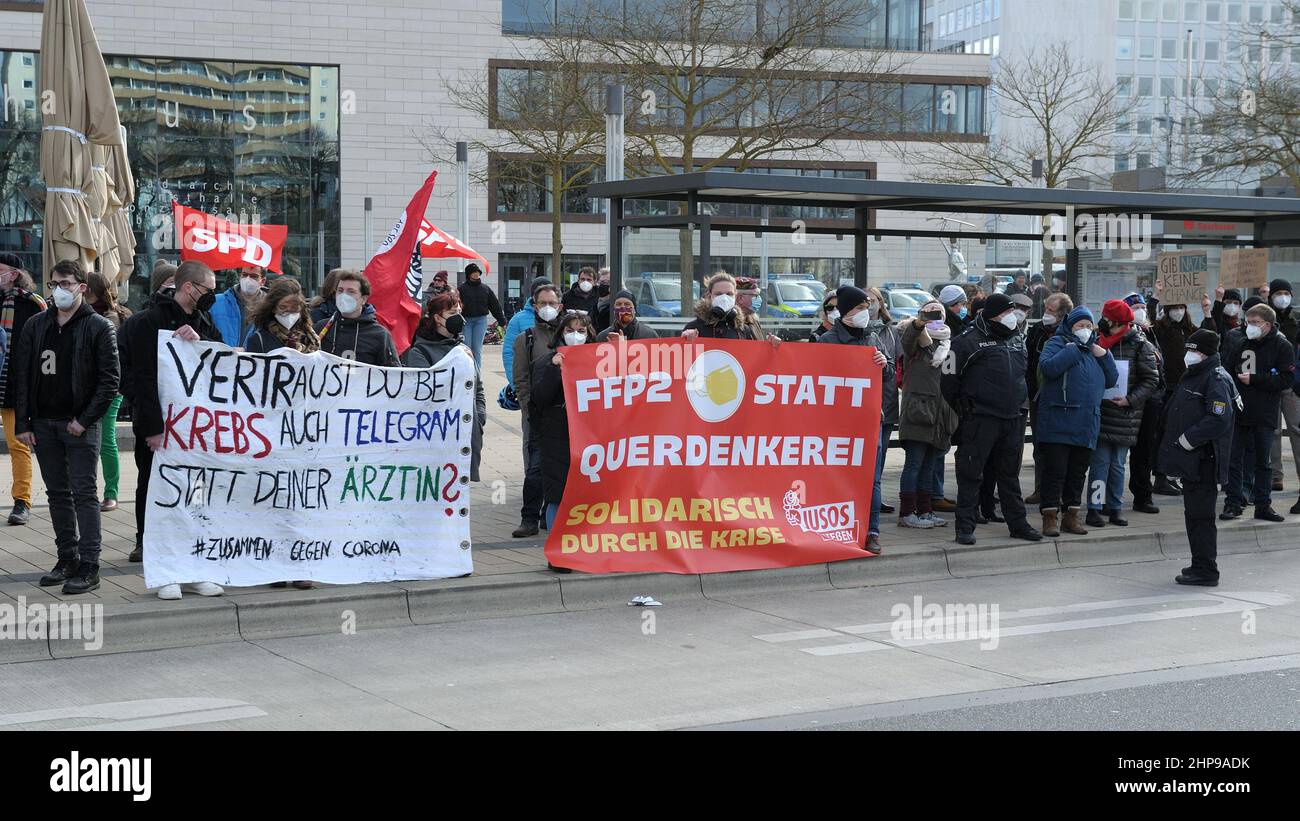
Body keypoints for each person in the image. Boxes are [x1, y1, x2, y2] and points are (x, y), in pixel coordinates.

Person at [117, 260, 225, 599]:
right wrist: (151, 426)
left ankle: (194, 566)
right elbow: (137, 377)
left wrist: (200, 341)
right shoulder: (145, 322)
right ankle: (164, 571)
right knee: (158, 496)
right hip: (160, 428)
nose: (212, 296)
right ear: (189, 288)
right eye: (208, 290)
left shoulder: (204, 320)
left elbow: (221, 361)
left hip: (196, 431)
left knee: (196, 496)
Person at [12, 260, 119, 595]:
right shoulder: (35, 324)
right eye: (54, 282)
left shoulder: (99, 327)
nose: (59, 289)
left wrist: (84, 420)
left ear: (82, 287)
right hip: (43, 424)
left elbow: (110, 381)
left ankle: (90, 565)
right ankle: (66, 558)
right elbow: (23, 375)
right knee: (57, 494)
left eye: (66, 283)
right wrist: (24, 421)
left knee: (84, 494)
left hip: (79, 426)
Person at [940, 292, 1043, 545]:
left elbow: (1023, 371)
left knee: (1009, 476)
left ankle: (1018, 524)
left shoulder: (1017, 338)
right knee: (970, 474)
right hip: (980, 418)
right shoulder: (966, 340)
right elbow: (948, 378)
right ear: (993, 315)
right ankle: (965, 527)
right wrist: (963, 406)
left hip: (1012, 418)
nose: (1011, 317)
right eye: (1006, 313)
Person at [817, 286, 893, 554]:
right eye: (860, 308)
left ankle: (871, 532)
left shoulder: (873, 336)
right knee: (838, 476)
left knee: (872, 479)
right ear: (847, 311)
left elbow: (889, 376)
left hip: (870, 420)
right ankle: (836, 530)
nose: (866, 313)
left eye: (867, 308)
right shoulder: (827, 341)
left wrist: (885, 365)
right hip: (839, 423)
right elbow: (818, 379)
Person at [1158, 329, 1237, 586]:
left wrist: (1186, 440)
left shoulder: (1215, 378)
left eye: (1196, 351)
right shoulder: (1194, 375)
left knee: (1201, 517)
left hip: (1204, 459)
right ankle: (1199, 564)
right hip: (1192, 460)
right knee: (1194, 515)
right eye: (1189, 350)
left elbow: (1218, 419)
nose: (1190, 355)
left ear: (1208, 353)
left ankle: (1206, 570)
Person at [1033, 306, 1118, 537]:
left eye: (1088, 326)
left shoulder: (1095, 349)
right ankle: (1050, 517)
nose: (1084, 330)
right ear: (1070, 327)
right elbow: (1048, 369)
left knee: (1077, 473)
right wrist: (1072, 350)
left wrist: (1105, 355)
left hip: (1086, 423)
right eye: (1080, 326)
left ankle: (1071, 517)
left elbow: (1112, 380)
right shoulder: (1058, 343)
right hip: (1058, 421)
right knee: (1055, 471)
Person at [1085, 299, 1159, 528]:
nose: (1102, 321)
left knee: (1117, 464)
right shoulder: (1096, 341)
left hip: (1125, 414)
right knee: (1099, 463)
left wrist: (1130, 399)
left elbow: (1151, 379)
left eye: (1106, 317)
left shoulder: (1140, 345)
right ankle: (1095, 508)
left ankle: (1115, 508)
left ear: (1116, 321)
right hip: (1101, 411)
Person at [530, 310, 595, 572]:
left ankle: (584, 549)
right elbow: (539, 398)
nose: (575, 336)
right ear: (561, 334)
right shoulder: (547, 362)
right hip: (557, 439)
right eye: (570, 330)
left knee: (587, 496)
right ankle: (558, 554)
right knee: (558, 494)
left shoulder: (598, 361)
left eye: (581, 331)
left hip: (591, 440)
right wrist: (555, 369)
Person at [1220, 302, 1296, 522]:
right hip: (1240, 411)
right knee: (1234, 460)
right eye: (1248, 322)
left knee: (1263, 462)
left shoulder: (1282, 346)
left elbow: (1286, 379)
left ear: (1268, 325)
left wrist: (1256, 379)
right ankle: (1233, 503)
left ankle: (1263, 505)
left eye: (1255, 323)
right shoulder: (1242, 343)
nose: (1250, 326)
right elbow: (1227, 371)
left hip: (1264, 412)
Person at [403, 292, 484, 481]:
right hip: (437, 436)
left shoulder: (463, 349)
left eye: (459, 312)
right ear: (437, 318)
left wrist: (479, 417)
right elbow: (424, 393)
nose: (459, 318)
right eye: (452, 312)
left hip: (467, 433)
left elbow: (478, 387)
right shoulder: (419, 352)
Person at [897, 300, 959, 529]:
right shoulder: (916, 340)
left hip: (941, 416)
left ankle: (925, 511)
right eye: (930, 311)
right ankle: (907, 513)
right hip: (919, 413)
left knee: (930, 465)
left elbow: (952, 380)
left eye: (938, 312)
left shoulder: (949, 345)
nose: (935, 315)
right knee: (914, 463)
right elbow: (908, 340)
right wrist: (919, 322)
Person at [1148, 289, 1214, 496]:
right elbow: (1150, 322)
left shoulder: (1191, 330)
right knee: (1163, 433)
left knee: (1178, 433)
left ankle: (1171, 475)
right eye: (1174, 308)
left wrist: (1208, 311)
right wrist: (1155, 298)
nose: (1178, 311)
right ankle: (1160, 476)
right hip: (1167, 387)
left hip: (1185, 388)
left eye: (1181, 307)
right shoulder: (1160, 329)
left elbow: (1211, 336)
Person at [510, 283, 562, 537]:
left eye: (553, 303)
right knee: (535, 467)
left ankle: (547, 515)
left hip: (565, 416)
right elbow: (520, 379)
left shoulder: (569, 334)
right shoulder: (526, 339)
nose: (548, 308)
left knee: (559, 467)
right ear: (534, 305)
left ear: (560, 306)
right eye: (543, 303)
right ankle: (529, 517)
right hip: (538, 414)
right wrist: (528, 408)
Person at [0, 252, 47, 526]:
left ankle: (22, 501)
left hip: (15, 386)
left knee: (18, 445)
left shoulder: (33, 305)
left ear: (14, 274)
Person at [85, 271, 131, 513]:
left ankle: (111, 492)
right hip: (84, 388)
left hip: (110, 388)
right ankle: (86, 491)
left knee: (106, 440)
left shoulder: (115, 317)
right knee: (85, 442)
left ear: (90, 291)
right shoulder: (80, 314)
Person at [1024, 292, 1073, 505]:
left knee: (1062, 448)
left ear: (1063, 315)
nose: (1046, 314)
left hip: (1063, 400)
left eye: (1051, 311)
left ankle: (1062, 492)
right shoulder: (1037, 331)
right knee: (1040, 446)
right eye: (1045, 310)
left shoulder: (1072, 334)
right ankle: (1040, 488)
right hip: (1038, 397)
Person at [1123, 292, 1166, 515]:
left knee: (1144, 452)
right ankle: (1107, 499)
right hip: (1129, 400)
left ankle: (1143, 495)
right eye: (1135, 307)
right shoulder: (1123, 335)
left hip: (1150, 401)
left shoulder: (1149, 333)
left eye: (1142, 306)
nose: (1140, 310)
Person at [314, 269, 400, 366]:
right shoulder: (321, 328)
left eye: (351, 292)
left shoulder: (379, 335)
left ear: (363, 299)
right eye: (340, 290)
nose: (344, 295)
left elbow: (393, 374)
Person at [1262, 279, 1300, 497]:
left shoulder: (1297, 320)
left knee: (1297, 428)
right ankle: (1276, 476)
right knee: (1273, 430)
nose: (1282, 297)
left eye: (1286, 293)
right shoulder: (1266, 321)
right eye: (1278, 293)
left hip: (1293, 384)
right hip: (1271, 383)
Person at [868, 286, 901, 516]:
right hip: (865, 402)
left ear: (881, 303)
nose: (870, 305)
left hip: (886, 400)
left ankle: (876, 498)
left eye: (873, 300)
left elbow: (896, 364)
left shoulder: (891, 331)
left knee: (882, 454)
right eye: (865, 301)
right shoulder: (859, 330)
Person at [682, 272, 778, 343]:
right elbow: (681, 362)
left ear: (735, 296)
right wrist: (684, 341)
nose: (724, 298)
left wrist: (770, 347)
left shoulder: (744, 330)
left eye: (729, 294)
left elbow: (754, 362)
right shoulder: (694, 328)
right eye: (718, 294)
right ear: (710, 295)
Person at [244, 278, 321, 356]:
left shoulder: (311, 337)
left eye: (294, 307)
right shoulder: (258, 340)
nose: (289, 312)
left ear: (301, 308)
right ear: (273, 308)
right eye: (283, 307)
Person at [458, 263, 505, 369]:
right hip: (466, 321)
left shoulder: (485, 288)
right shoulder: (461, 289)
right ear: (469, 274)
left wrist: (502, 321)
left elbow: (495, 306)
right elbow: (456, 306)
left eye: (478, 272)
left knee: (477, 349)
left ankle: (477, 375)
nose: (476, 274)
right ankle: (467, 371)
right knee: (467, 348)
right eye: (474, 272)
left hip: (481, 321)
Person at [210, 265, 265, 347]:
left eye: (254, 276)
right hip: (220, 358)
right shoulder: (215, 302)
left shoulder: (270, 309)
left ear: (262, 281)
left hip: (252, 359)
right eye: (244, 275)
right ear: (240, 277)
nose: (248, 279)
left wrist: (247, 350)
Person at [592, 268, 613, 333]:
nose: (601, 285)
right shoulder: (596, 304)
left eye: (605, 282)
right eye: (601, 282)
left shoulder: (616, 306)